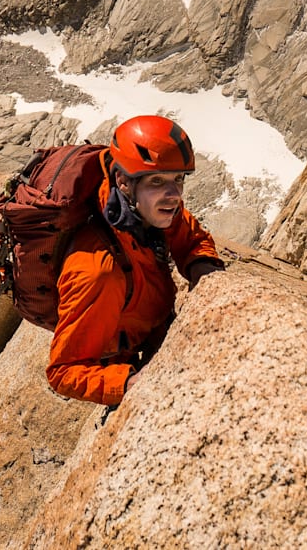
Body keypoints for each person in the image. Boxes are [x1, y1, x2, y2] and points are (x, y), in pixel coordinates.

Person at [46, 115, 225, 406]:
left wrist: (204, 270)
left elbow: (190, 237)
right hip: (130, 361)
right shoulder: (97, 273)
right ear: (123, 181)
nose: (174, 195)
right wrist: (128, 383)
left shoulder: (147, 209)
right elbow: (63, 372)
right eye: (157, 181)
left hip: (158, 328)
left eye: (178, 179)